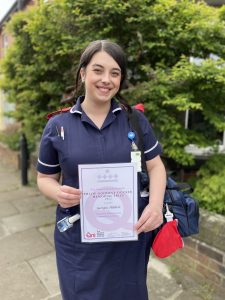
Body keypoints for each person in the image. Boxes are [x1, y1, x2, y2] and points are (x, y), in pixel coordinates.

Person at [36, 40, 167, 300]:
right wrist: (57, 192)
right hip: (78, 239)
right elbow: (44, 178)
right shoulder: (58, 125)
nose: (106, 79)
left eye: (115, 73)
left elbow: (156, 167)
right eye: (98, 70)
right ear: (83, 73)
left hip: (129, 235)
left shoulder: (134, 120)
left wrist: (154, 205)